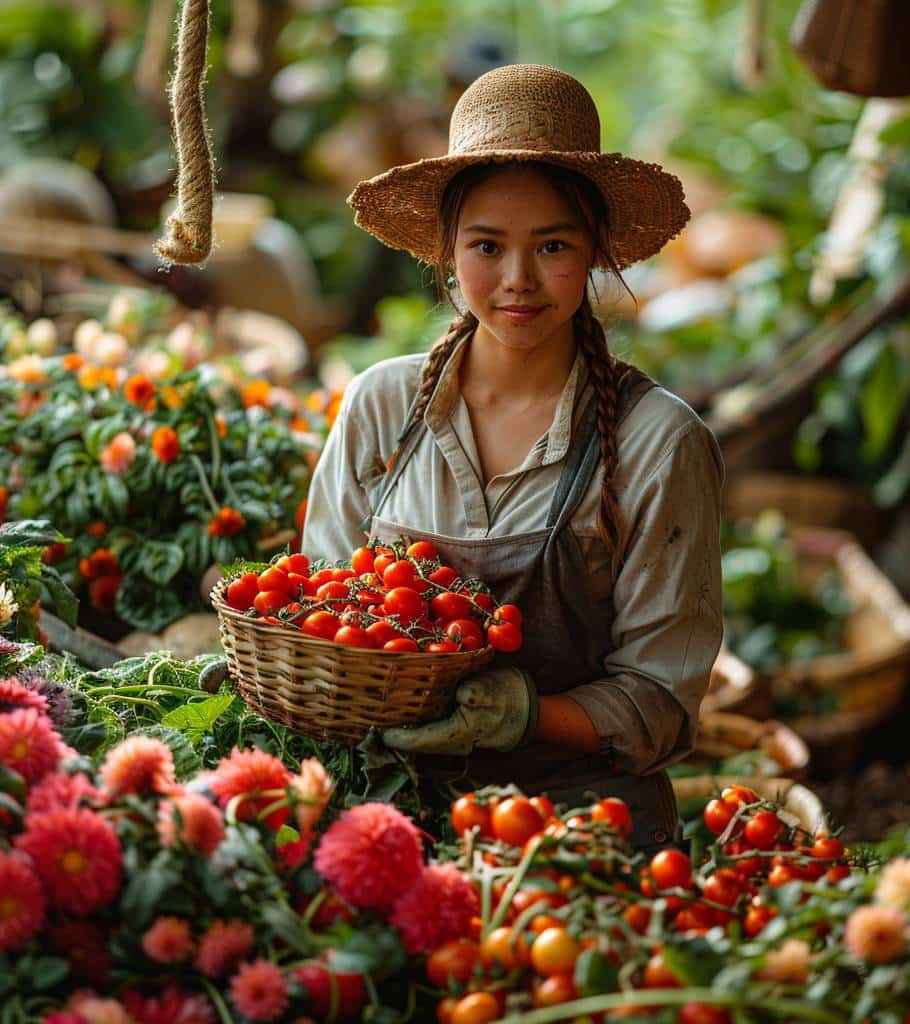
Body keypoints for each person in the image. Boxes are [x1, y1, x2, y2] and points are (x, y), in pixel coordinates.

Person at [303, 64, 724, 849]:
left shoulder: (658, 442)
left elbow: (662, 705)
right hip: (394, 815)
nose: (517, 281)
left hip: (584, 835)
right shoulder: (380, 409)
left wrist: (525, 713)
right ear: (446, 252)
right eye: (487, 246)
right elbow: (321, 619)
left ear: (597, 250)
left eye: (553, 245)